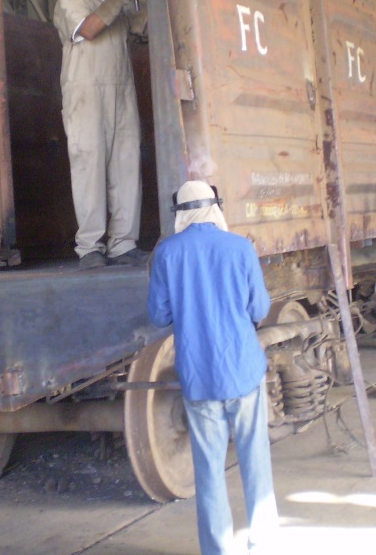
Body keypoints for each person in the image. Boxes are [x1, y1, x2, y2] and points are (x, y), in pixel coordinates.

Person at [148, 181, 279, 555]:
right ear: (215, 208)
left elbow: (158, 315)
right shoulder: (240, 247)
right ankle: (263, 545)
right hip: (243, 371)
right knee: (256, 462)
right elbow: (259, 310)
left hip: (199, 376)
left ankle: (218, 550)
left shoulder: (167, 253)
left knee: (209, 474)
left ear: (182, 214)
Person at [52, 0, 149, 269]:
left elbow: (137, 28)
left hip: (121, 91)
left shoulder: (112, 3)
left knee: (125, 165)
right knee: (89, 167)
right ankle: (90, 247)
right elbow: (90, 29)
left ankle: (123, 243)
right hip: (85, 94)